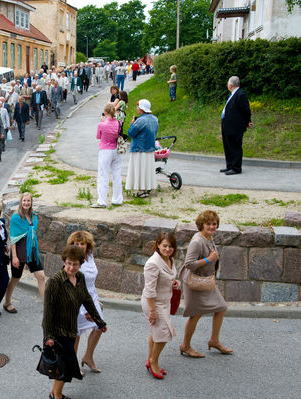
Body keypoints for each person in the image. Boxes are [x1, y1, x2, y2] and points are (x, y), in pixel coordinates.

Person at [42, 245, 107, 399]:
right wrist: (48, 337)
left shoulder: (80, 278)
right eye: (69, 263)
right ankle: (56, 396)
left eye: (75, 264)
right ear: (64, 261)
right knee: (65, 364)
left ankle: (55, 393)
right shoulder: (55, 282)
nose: (71, 267)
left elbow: (86, 299)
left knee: (65, 364)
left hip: (72, 329)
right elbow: (48, 312)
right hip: (58, 331)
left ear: (80, 264)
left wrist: (99, 322)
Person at [179, 210, 232, 358]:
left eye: (214, 224)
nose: (212, 227)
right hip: (195, 282)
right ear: (201, 225)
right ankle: (185, 345)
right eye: (208, 224)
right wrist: (209, 259)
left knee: (221, 308)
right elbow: (189, 264)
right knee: (195, 315)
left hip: (206, 281)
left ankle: (214, 341)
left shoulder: (208, 237)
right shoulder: (197, 241)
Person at [141, 232, 180, 379]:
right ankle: (153, 362)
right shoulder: (152, 263)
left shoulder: (169, 259)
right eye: (164, 246)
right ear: (158, 245)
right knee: (164, 334)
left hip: (164, 301)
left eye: (170, 246)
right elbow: (150, 290)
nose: (167, 249)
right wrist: (152, 311)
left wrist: (174, 282)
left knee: (156, 332)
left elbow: (168, 276)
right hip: (153, 303)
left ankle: (149, 359)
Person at [67, 231, 106, 374]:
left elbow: (90, 281)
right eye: (76, 244)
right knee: (76, 334)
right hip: (77, 303)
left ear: (87, 245)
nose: (79, 246)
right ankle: (73, 364)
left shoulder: (89, 256)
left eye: (82, 243)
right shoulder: (72, 261)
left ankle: (88, 357)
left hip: (92, 299)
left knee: (100, 327)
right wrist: (84, 310)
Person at [3, 192, 45, 312]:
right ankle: (7, 302)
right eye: (24, 201)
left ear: (31, 202)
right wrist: (14, 257)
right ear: (21, 202)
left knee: (41, 276)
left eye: (28, 201)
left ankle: (47, 306)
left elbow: (33, 234)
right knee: (16, 278)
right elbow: (13, 238)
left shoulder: (33, 216)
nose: (26, 203)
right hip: (20, 252)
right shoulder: (16, 217)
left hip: (32, 251)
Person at [125, 99, 158, 198]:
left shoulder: (140, 120)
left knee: (139, 169)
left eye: (138, 106)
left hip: (139, 148)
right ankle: (147, 187)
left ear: (142, 108)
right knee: (147, 169)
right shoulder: (155, 119)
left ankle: (140, 189)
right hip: (150, 147)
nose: (137, 108)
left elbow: (131, 133)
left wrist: (132, 123)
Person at [92, 103, 122, 208]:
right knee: (116, 175)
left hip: (105, 150)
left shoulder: (102, 124)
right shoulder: (118, 123)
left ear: (105, 112)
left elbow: (98, 136)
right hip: (116, 150)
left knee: (103, 175)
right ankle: (117, 199)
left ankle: (102, 201)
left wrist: (102, 122)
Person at [221, 76, 252, 175]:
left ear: (230, 85)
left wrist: (248, 121)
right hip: (227, 125)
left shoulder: (240, 94)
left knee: (235, 146)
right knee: (228, 146)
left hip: (236, 126)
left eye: (227, 83)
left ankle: (236, 168)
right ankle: (229, 165)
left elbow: (246, 110)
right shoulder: (233, 94)